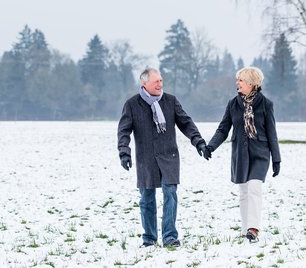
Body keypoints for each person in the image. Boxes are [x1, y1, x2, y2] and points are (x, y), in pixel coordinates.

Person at [117, 67, 210, 248]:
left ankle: (169, 236)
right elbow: (124, 131)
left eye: (161, 80)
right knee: (147, 199)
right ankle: (149, 238)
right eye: (156, 81)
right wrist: (124, 152)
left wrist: (198, 141)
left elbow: (186, 122)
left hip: (169, 156)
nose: (160, 84)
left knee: (170, 194)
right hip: (146, 159)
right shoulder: (132, 104)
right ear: (145, 84)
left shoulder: (170, 101)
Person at [206, 66, 281, 243]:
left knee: (254, 187)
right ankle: (246, 228)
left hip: (260, 153)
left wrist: (276, 159)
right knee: (244, 192)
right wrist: (211, 146)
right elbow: (223, 129)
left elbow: (272, 133)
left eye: (240, 80)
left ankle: (253, 228)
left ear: (251, 83)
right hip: (240, 154)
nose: (237, 83)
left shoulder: (266, 104)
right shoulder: (233, 104)